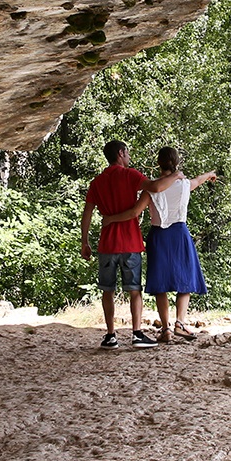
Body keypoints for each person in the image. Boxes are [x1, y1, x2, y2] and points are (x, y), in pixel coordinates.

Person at [104, 145, 217, 342]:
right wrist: (210, 174)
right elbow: (198, 180)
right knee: (186, 280)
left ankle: (165, 329)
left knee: (161, 283)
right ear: (177, 163)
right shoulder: (184, 184)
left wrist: (111, 219)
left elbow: (133, 213)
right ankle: (180, 323)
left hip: (158, 236)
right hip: (180, 234)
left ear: (159, 163)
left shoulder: (151, 189)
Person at [80, 139, 157, 349]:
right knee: (134, 290)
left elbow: (87, 213)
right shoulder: (131, 175)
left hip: (107, 244)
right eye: (128, 153)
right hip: (130, 241)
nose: (129, 157)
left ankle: (110, 335)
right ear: (121, 153)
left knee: (108, 290)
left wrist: (84, 241)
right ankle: (137, 333)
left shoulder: (97, 182)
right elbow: (154, 187)